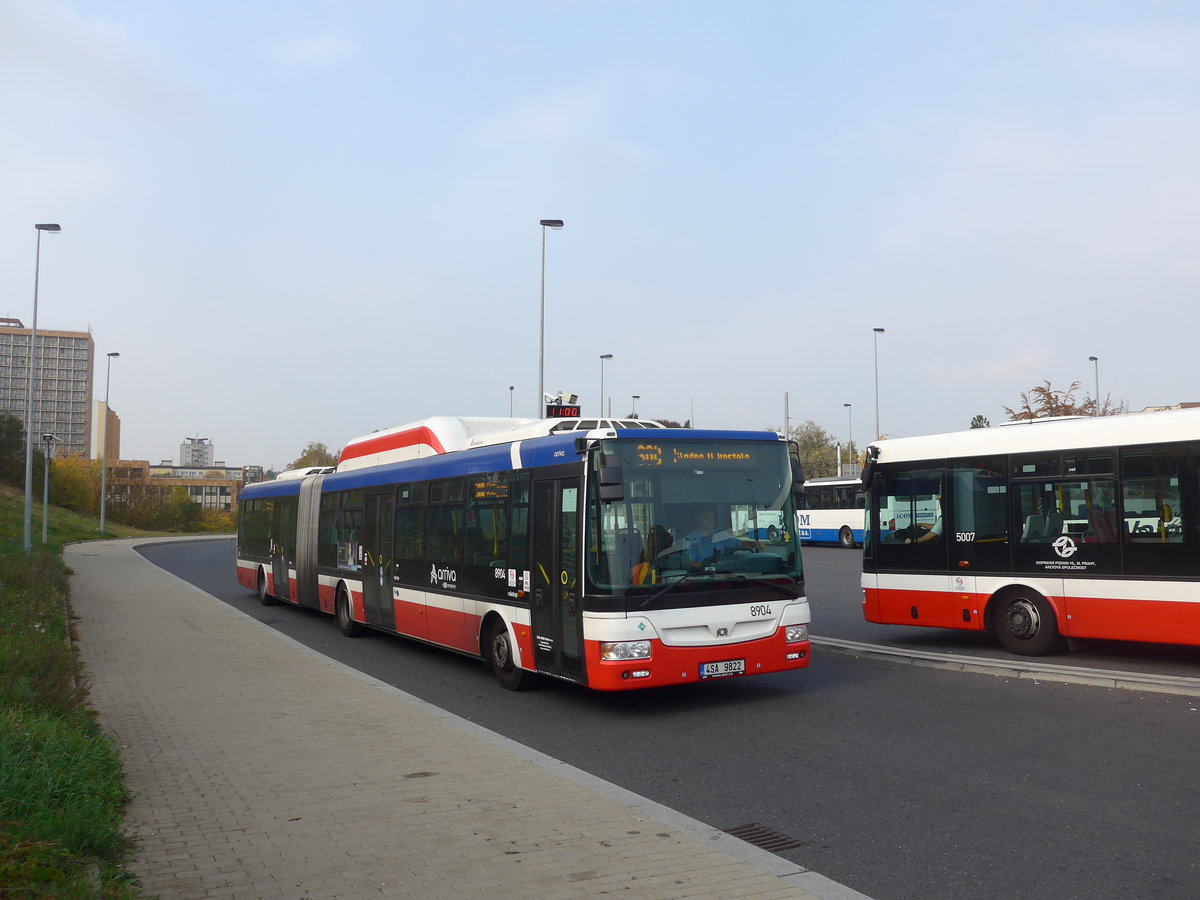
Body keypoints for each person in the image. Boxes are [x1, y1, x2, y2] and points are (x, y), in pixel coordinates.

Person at [685, 509, 762, 567]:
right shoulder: (690, 539)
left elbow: (739, 543)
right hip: (700, 576)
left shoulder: (719, 535)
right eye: (707, 517)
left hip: (723, 574)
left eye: (713, 517)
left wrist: (754, 543)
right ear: (699, 519)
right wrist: (710, 566)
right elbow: (689, 563)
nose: (711, 520)